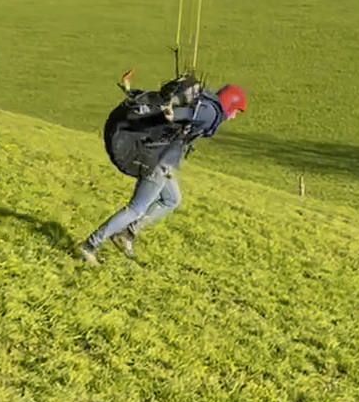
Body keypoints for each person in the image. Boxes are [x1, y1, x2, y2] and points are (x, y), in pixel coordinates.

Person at [80, 69, 246, 265]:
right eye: (236, 111)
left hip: (164, 158)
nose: (234, 116)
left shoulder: (206, 101)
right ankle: (90, 245)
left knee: (172, 199)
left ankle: (127, 233)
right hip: (158, 161)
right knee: (136, 208)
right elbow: (191, 113)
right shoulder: (210, 112)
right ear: (230, 104)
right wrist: (174, 115)